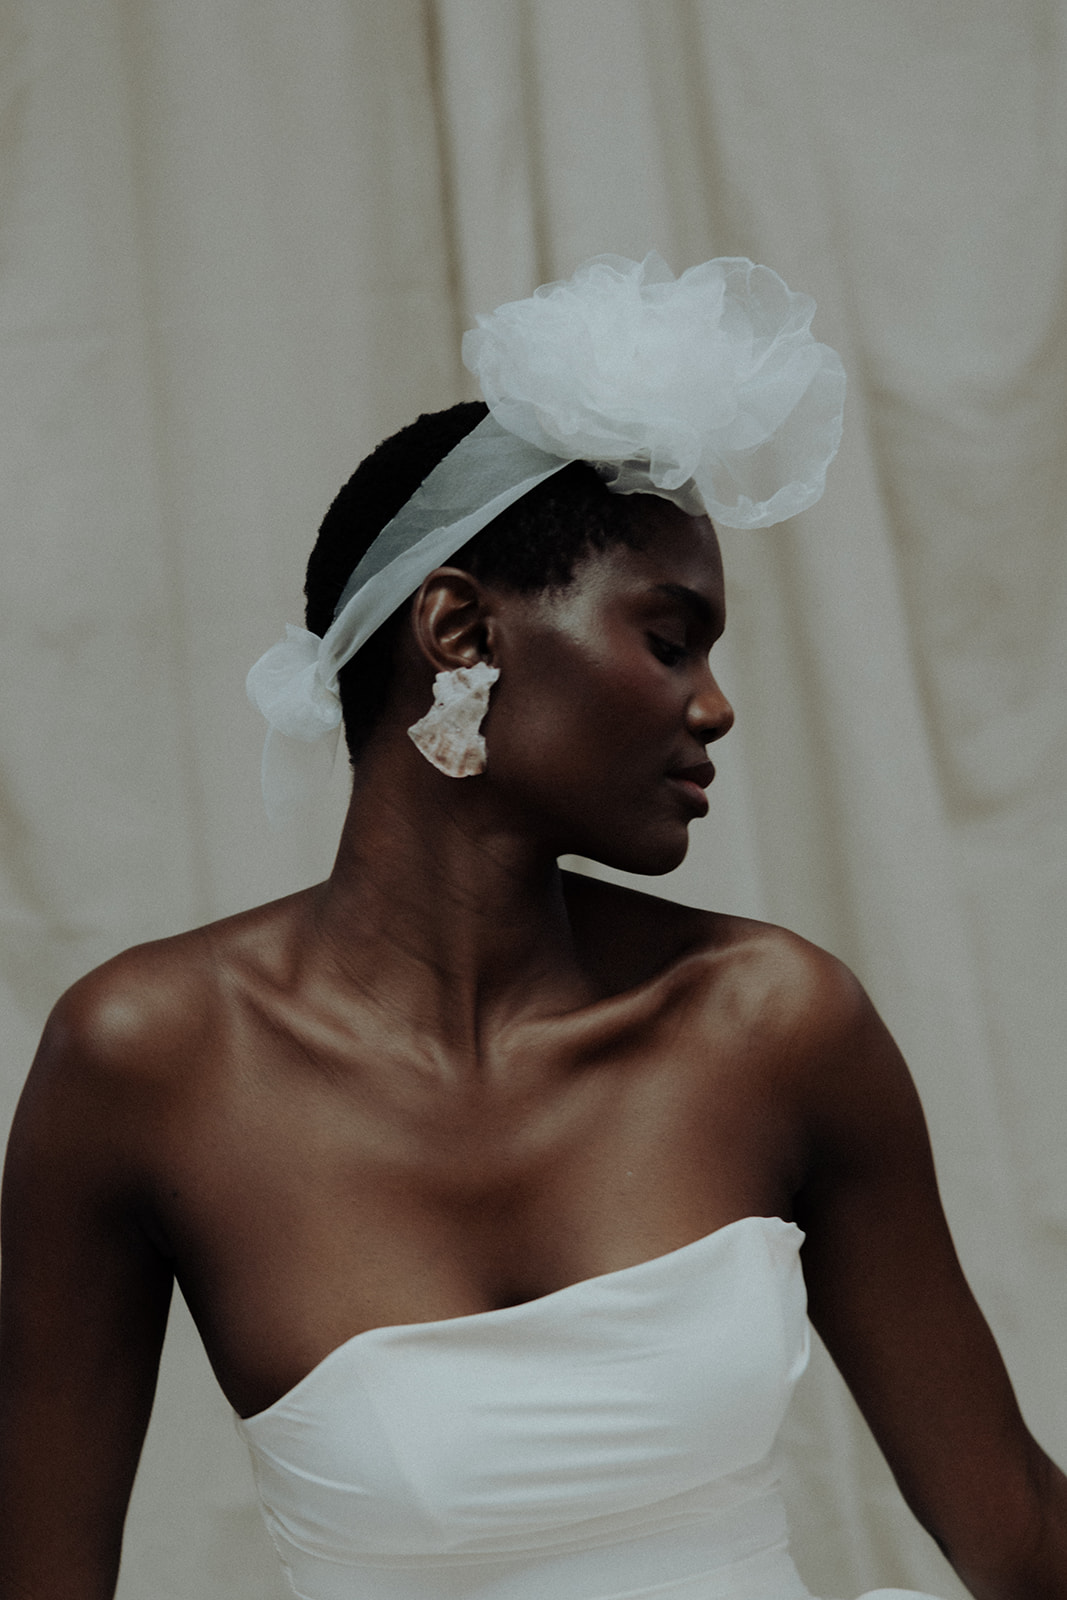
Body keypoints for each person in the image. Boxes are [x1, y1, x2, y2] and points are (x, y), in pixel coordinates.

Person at [0, 255, 1064, 1600]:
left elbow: (1021, 1536)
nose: (716, 706)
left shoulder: (773, 1022)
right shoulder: (148, 1063)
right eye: (670, 639)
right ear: (460, 630)